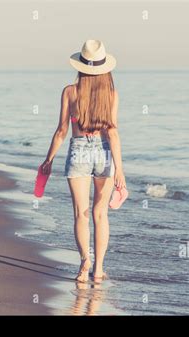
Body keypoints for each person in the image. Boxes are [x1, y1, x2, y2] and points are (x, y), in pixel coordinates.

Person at [41, 39, 126, 283]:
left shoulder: (70, 92)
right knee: (101, 214)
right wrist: (120, 170)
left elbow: (61, 131)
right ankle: (98, 269)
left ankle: (83, 263)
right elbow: (113, 132)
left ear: (80, 66)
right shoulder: (111, 94)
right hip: (104, 152)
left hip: (79, 150)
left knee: (81, 213)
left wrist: (48, 160)